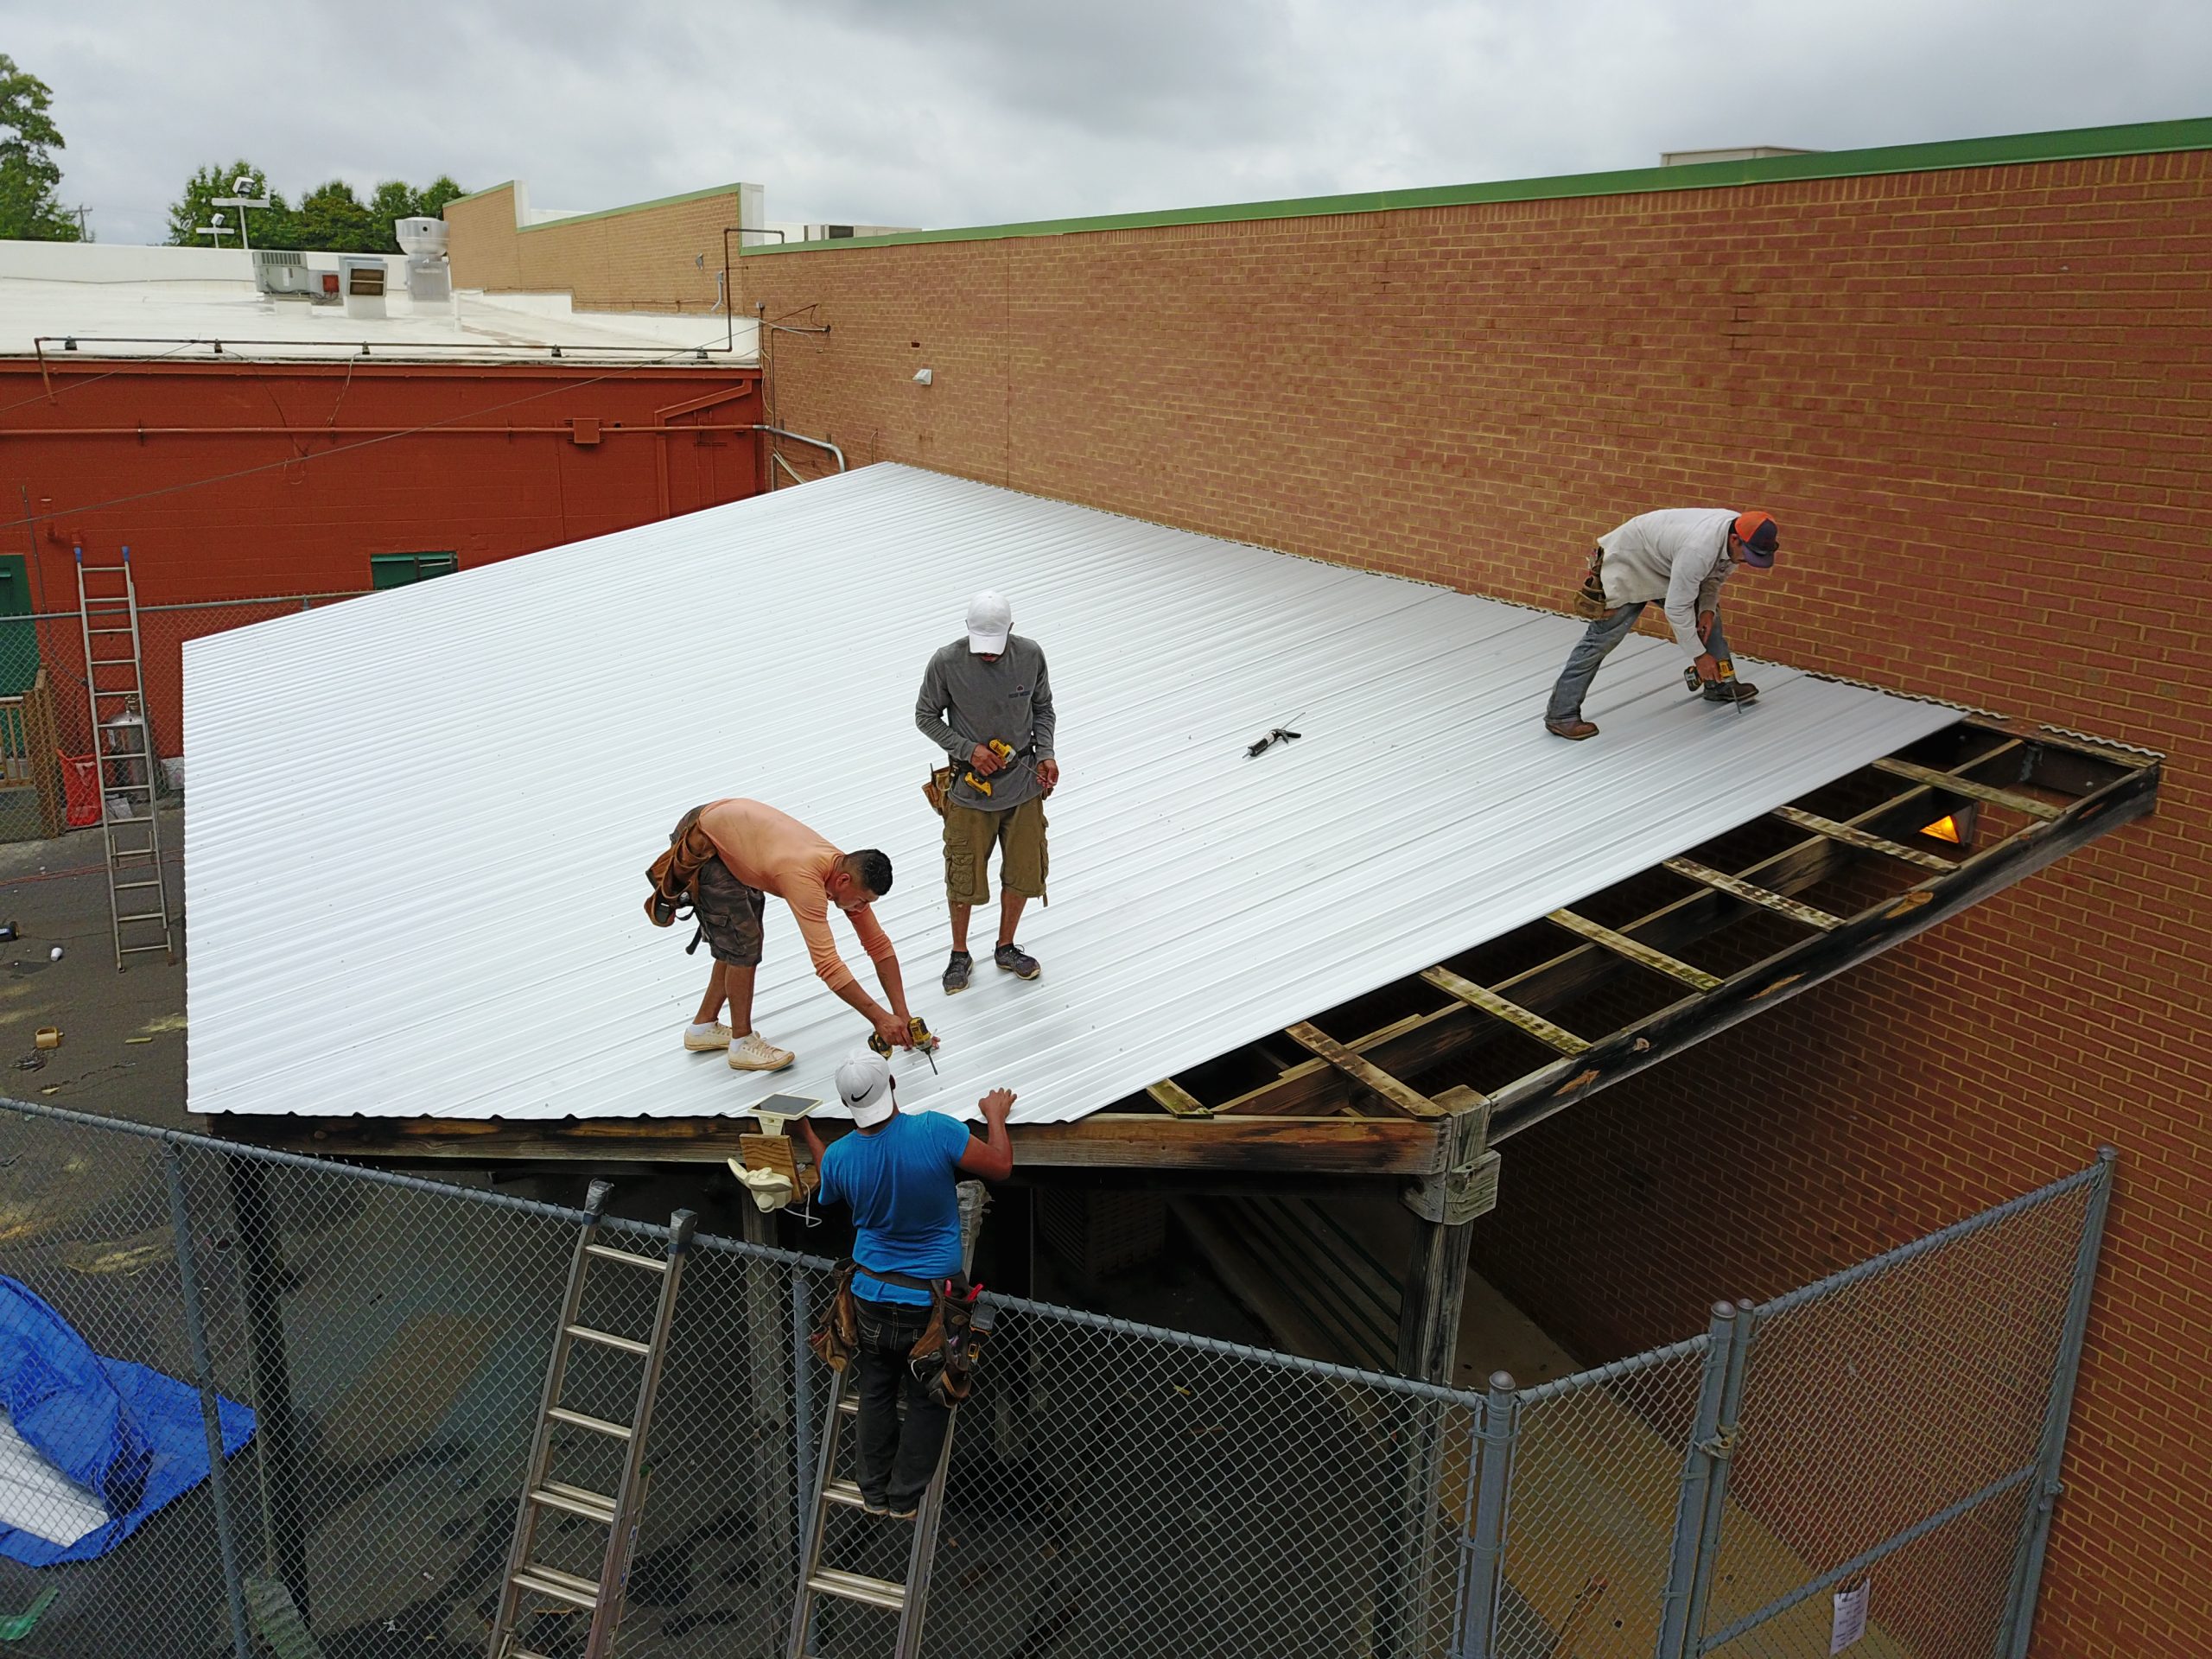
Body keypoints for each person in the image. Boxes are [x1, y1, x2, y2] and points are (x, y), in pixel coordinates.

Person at [801, 1054, 1015, 1517]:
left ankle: (874, 1494)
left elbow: (830, 1181)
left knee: (876, 1389)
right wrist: (995, 1116)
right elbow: (1000, 1166)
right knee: (929, 1394)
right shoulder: (935, 1132)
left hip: (870, 1297)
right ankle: (904, 1499)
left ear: (845, 1102)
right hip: (931, 1301)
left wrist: (811, 1139)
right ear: (893, 1083)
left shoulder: (840, 1156)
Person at [674, 798, 915, 1071]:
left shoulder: (846, 870)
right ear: (844, 881)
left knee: (739, 935)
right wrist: (880, 1019)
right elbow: (827, 964)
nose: (862, 908)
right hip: (703, 840)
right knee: (744, 942)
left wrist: (902, 1015)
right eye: (862, 901)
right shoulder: (805, 878)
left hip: (730, 828)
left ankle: (703, 1026)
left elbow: (878, 945)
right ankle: (742, 1043)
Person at [915, 590, 1059, 994]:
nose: (989, 657)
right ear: (968, 631)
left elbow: (1042, 707)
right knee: (963, 874)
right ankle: (959, 954)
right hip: (969, 793)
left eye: (996, 648)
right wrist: (969, 751)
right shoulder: (946, 662)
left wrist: (1045, 754)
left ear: (1011, 631)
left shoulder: (1030, 656)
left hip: (1023, 787)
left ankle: (1006, 946)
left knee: (1024, 870)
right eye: (982, 648)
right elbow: (925, 716)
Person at [1543, 510, 1781, 741]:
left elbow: (1714, 577)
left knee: (1710, 621)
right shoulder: (1699, 549)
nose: (1748, 562)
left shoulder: (1738, 533)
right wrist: (1699, 656)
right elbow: (1677, 609)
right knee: (1602, 639)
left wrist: (1707, 610)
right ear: (1735, 539)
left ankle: (1719, 686)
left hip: (1670, 564)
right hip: (1631, 561)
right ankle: (1561, 714)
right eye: (1748, 555)